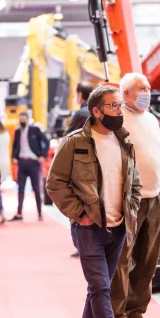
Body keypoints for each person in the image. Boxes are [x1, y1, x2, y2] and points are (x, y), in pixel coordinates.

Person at [47, 85, 142, 318]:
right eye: (113, 106)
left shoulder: (124, 142)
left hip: (119, 227)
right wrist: (80, 214)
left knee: (98, 288)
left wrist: (130, 211)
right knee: (101, 287)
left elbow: (134, 183)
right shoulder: (74, 142)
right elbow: (55, 183)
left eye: (119, 105)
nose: (119, 110)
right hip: (89, 228)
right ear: (97, 111)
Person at [111, 73, 160, 318]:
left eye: (148, 88)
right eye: (142, 88)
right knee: (122, 259)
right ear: (127, 94)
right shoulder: (117, 120)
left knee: (147, 260)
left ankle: (135, 313)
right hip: (128, 199)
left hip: (154, 196)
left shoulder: (152, 120)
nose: (148, 92)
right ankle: (116, 317)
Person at [66, 82, 94, 257]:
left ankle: (82, 245)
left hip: (80, 166)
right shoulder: (99, 111)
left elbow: (68, 138)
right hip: (98, 167)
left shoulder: (80, 113)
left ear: (80, 94)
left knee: (78, 207)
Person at [10, 111, 49, 222]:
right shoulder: (17, 131)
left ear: (28, 119)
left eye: (24, 119)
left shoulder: (35, 130)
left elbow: (46, 141)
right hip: (22, 162)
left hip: (33, 162)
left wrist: (43, 155)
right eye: (20, 119)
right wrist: (14, 157)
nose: (22, 120)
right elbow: (14, 145)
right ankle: (19, 213)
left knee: (36, 188)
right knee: (20, 188)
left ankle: (40, 213)